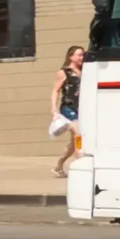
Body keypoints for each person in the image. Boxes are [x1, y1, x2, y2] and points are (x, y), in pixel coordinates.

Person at [50, 44, 85, 175]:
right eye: (79, 54)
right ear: (71, 57)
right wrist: (54, 109)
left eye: (83, 54)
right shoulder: (63, 73)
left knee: (73, 142)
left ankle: (58, 165)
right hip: (68, 108)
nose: (82, 57)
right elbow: (55, 91)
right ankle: (81, 160)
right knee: (78, 134)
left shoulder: (85, 71)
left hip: (82, 108)